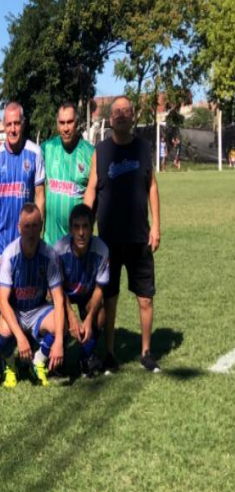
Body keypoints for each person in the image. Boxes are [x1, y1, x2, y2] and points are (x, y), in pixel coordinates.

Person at [84, 95, 161, 373]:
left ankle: (146, 352)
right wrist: (84, 220)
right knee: (110, 299)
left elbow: (152, 186)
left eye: (125, 111)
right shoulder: (101, 151)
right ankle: (109, 354)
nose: (120, 115)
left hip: (139, 236)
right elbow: (92, 188)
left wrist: (156, 225)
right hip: (109, 240)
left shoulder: (143, 148)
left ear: (132, 116)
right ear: (110, 118)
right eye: (116, 111)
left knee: (145, 297)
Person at [0, 203, 65, 388]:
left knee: (60, 324)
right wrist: (20, 337)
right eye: (27, 226)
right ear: (19, 228)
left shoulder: (49, 254)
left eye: (35, 226)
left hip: (37, 310)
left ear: (41, 226)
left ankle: (38, 361)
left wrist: (59, 340)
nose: (31, 232)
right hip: (16, 311)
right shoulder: (9, 255)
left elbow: (58, 299)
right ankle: (10, 365)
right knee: (3, 329)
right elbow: (2, 301)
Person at [0, 102, 46, 269]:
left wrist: (37, 233)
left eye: (17, 123)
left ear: (23, 123)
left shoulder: (35, 153)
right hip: (0, 246)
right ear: (3, 126)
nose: (13, 129)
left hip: (27, 244)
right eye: (9, 124)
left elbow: (40, 197)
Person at [53, 204, 109, 378]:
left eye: (85, 226)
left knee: (100, 315)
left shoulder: (102, 250)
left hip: (87, 294)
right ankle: (58, 359)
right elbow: (57, 289)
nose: (81, 232)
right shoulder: (58, 250)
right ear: (70, 229)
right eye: (76, 227)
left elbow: (100, 288)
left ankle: (85, 357)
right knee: (59, 318)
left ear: (92, 228)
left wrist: (89, 318)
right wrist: (71, 317)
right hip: (65, 294)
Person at [42, 101, 94, 245]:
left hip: (77, 245)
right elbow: (25, 154)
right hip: (51, 244)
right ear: (57, 124)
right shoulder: (47, 148)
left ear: (77, 123)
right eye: (62, 123)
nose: (65, 128)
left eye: (69, 122)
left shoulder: (90, 154)